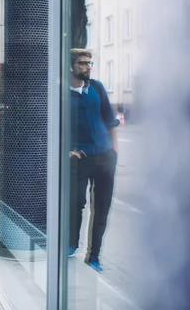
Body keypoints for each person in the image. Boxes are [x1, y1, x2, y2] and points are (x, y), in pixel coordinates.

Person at [68, 49, 119, 273]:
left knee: (102, 208)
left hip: (105, 158)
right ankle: (71, 245)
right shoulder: (61, 93)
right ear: (71, 66)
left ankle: (94, 256)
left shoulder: (97, 88)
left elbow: (110, 120)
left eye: (90, 63)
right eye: (83, 63)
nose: (88, 67)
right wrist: (66, 151)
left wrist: (115, 151)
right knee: (76, 204)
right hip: (81, 158)